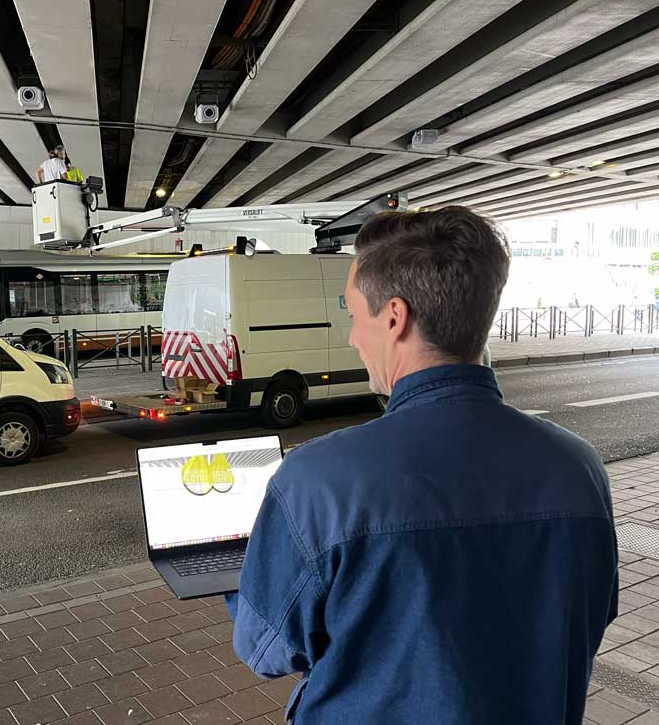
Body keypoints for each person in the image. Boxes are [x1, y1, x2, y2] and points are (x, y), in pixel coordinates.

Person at [228, 206, 617, 724]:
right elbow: (592, 614)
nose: (352, 337)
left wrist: (253, 573)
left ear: (394, 317)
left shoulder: (316, 480)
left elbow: (265, 648)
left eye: (353, 315)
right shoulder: (579, 468)